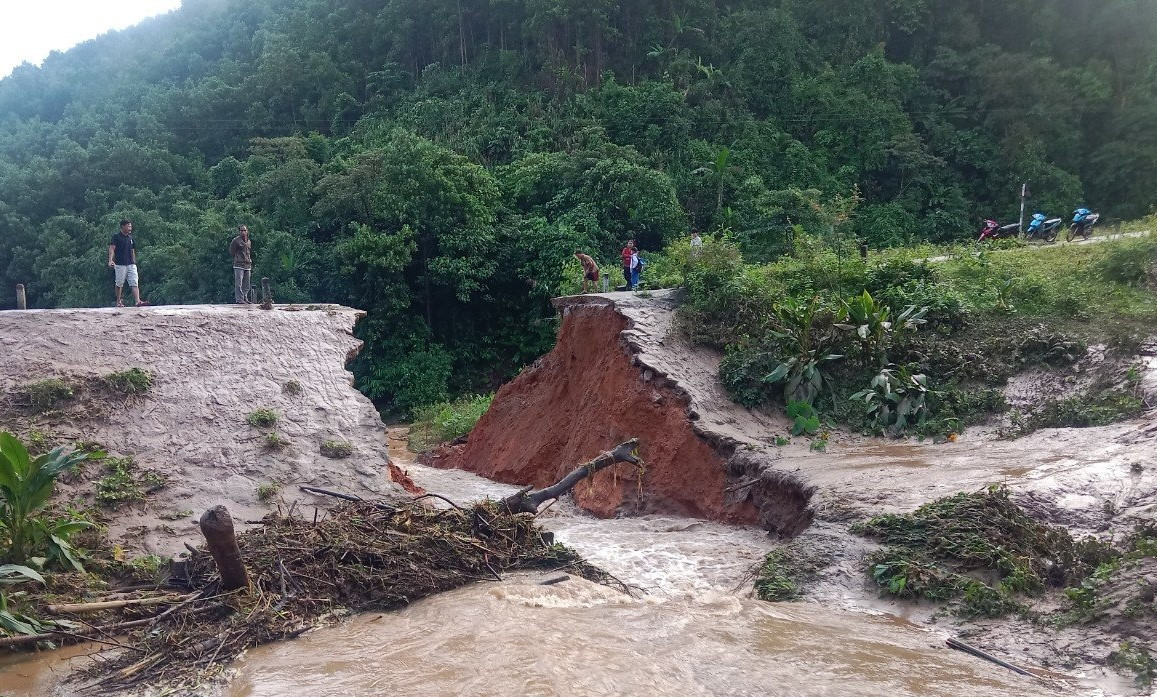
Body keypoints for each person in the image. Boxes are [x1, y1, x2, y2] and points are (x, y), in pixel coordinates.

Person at [107, 219, 147, 307]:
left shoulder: (130, 238)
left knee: (134, 282)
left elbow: (132, 250)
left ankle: (138, 301)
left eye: (130, 226)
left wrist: (134, 261)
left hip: (131, 264)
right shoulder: (116, 237)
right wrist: (110, 260)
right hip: (120, 264)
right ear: (123, 226)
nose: (130, 228)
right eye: (128, 226)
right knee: (119, 283)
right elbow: (112, 248)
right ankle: (118, 301)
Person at [229, 224, 253, 304]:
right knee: (238, 283)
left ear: (247, 231)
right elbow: (231, 251)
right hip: (239, 265)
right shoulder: (236, 241)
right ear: (239, 231)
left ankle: (245, 297)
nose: (243, 232)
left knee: (247, 283)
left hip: (247, 264)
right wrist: (237, 258)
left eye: (244, 230)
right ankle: (239, 299)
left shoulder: (249, 241)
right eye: (241, 230)